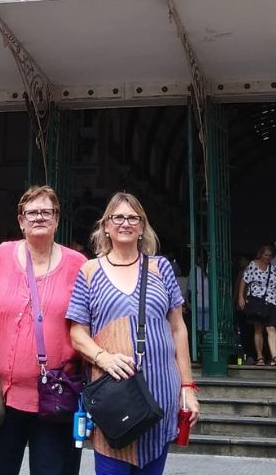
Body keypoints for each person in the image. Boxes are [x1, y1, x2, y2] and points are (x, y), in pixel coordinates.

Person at [67, 191, 199, 475]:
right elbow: (77, 332)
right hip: (113, 396)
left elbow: (178, 328)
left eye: (132, 218)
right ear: (105, 225)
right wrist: (103, 358)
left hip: (160, 391)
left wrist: (188, 389)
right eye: (117, 217)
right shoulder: (89, 271)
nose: (125, 223)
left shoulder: (160, 268)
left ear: (142, 226)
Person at [0, 186, 86, 475]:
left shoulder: (79, 265)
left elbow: (96, 319)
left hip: (58, 397)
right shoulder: (0, 256)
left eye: (47, 212)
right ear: (21, 220)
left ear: (57, 219)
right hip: (2, 397)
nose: (39, 218)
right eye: (32, 212)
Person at [238, 244, 276, 365]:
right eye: (265, 255)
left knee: (271, 327)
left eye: (269, 255)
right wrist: (241, 297)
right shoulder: (253, 265)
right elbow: (244, 280)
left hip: (272, 300)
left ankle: (274, 356)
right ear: (260, 254)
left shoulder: (274, 268)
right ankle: (260, 357)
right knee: (258, 329)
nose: (267, 257)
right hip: (256, 300)